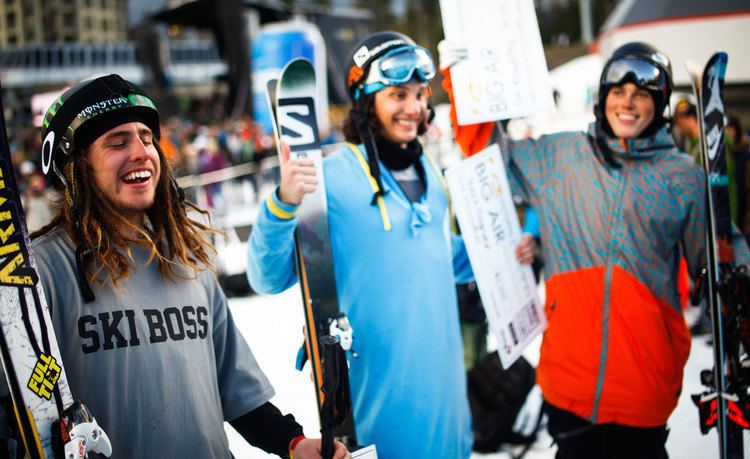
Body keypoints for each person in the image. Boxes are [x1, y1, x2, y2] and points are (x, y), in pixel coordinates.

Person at [0, 74, 348, 459]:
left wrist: (293, 442)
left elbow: (233, 387)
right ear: (73, 169)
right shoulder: (39, 275)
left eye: (147, 138)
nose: (141, 152)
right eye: (117, 142)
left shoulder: (187, 257)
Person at [441, 41, 750, 458]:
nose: (628, 103)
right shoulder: (561, 156)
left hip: (645, 386)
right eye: (618, 92)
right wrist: (464, 85)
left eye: (641, 95)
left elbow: (717, 256)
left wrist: (738, 291)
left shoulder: (682, 179)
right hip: (570, 386)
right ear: (602, 98)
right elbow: (488, 156)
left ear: (657, 105)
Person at [247, 31, 535, 458]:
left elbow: (442, 258)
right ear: (367, 100)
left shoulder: (430, 174)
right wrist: (283, 203)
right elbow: (266, 277)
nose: (414, 107)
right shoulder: (332, 178)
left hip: (448, 402)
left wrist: (505, 250)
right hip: (378, 401)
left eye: (420, 94)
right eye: (398, 94)